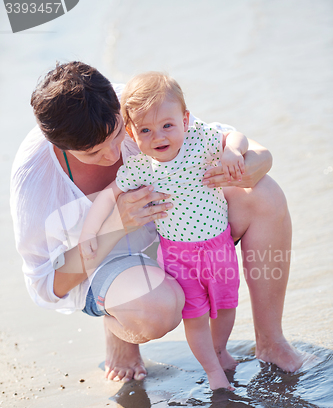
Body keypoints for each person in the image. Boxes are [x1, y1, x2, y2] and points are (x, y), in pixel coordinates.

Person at [10, 61, 304, 386]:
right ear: (61, 147)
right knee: (157, 310)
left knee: (265, 194)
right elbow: (46, 285)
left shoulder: (135, 104)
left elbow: (222, 137)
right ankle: (118, 329)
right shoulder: (34, 178)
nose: (112, 154)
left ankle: (271, 341)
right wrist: (115, 225)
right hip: (106, 262)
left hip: (183, 233)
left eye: (117, 134)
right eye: (93, 152)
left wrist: (258, 163)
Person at [79, 72, 250, 390]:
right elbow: (109, 195)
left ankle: (220, 350)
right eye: (145, 130)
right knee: (196, 316)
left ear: (185, 120)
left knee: (226, 306)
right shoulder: (140, 167)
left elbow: (236, 135)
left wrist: (233, 153)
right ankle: (213, 372)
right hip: (178, 256)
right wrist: (89, 232)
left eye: (167, 125)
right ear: (131, 132)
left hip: (219, 247)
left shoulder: (202, 142)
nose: (158, 135)